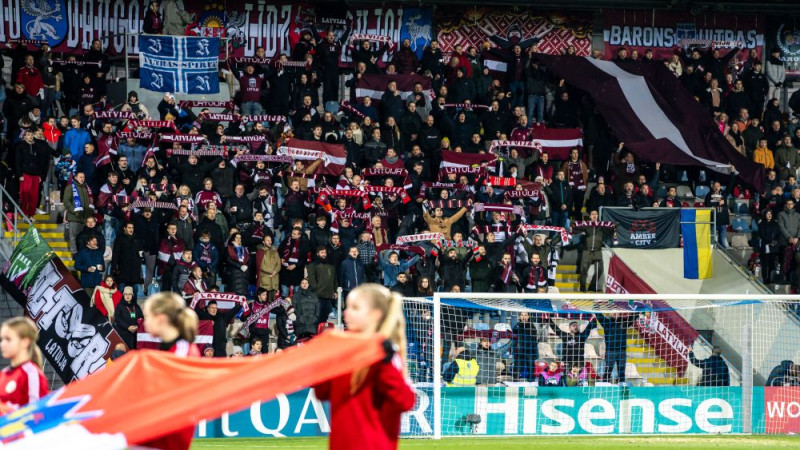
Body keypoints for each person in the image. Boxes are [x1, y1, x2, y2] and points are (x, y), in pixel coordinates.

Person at [313, 284, 415, 450]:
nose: (346, 312)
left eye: (355, 308)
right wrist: (322, 360)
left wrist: (385, 364)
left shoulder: (386, 354)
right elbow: (322, 392)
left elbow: (405, 401)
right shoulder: (343, 349)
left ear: (375, 314)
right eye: (347, 307)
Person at [141, 292, 200, 450]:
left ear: (160, 318)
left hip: (167, 438)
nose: (144, 322)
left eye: (147, 316)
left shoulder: (181, 352)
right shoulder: (173, 350)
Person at [0, 317, 48, 413]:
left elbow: (37, 414)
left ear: (25, 342)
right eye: (2, 339)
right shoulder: (3, 373)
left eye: (8, 339)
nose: (2, 344)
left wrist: (4, 409)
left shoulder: (31, 374)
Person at [572, 210, 612, 292]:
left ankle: (592, 286)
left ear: (598, 216)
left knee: (600, 270)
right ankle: (582, 287)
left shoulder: (602, 225)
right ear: (590, 216)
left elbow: (609, 231)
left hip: (597, 251)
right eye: (592, 214)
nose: (594, 216)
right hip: (587, 251)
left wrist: (614, 226)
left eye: (596, 214)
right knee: (583, 270)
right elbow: (575, 230)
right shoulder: (586, 225)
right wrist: (572, 226)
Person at [596, 311, 636, 383]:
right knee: (608, 371)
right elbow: (599, 316)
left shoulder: (624, 322)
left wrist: (639, 311)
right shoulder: (606, 322)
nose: (615, 314)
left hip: (622, 351)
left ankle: (622, 389)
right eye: (613, 313)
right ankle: (605, 386)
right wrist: (596, 307)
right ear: (610, 314)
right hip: (610, 352)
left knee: (621, 372)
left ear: (619, 314)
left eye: (616, 313)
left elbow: (632, 318)